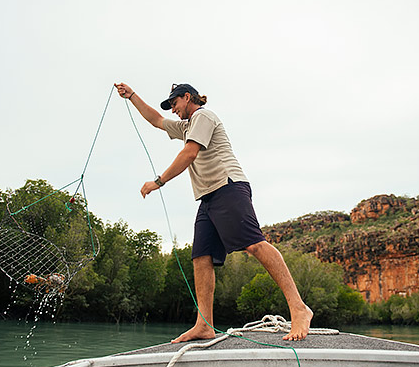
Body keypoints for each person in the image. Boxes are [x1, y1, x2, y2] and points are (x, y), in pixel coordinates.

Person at [114, 82, 313, 342]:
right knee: (201, 257)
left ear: (187, 97)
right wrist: (131, 96)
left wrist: (158, 182)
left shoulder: (203, 116)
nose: (172, 109)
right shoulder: (186, 126)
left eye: (174, 103)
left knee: (254, 245)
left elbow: (189, 153)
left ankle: (299, 308)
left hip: (228, 187)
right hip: (208, 197)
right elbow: (156, 120)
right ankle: (204, 324)